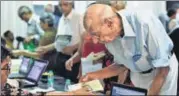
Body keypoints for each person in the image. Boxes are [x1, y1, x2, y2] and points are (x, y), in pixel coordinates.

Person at [80, 4, 178, 95]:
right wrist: (92, 75)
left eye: (96, 34)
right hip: (139, 74)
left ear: (110, 23)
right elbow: (121, 65)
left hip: (162, 73)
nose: (95, 41)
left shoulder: (144, 22)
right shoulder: (109, 38)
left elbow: (163, 69)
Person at [36, 0, 85, 83]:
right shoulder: (61, 18)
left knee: (71, 85)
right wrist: (46, 48)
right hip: (60, 57)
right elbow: (58, 42)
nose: (62, 7)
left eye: (65, 4)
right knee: (59, 84)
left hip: (73, 58)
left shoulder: (79, 17)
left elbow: (85, 39)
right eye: (60, 5)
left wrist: (73, 47)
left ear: (71, 4)